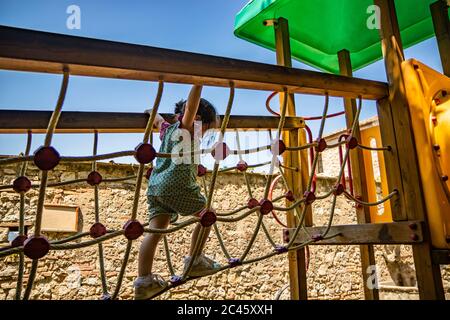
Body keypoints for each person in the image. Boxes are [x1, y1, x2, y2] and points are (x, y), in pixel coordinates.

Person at [134, 85, 221, 300]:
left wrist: (150, 112)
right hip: (178, 186)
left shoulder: (166, 129)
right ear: (198, 119)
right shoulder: (187, 127)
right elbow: (192, 108)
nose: (205, 134)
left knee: (154, 231)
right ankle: (195, 261)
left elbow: (155, 119)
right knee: (207, 216)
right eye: (207, 128)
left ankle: (143, 281)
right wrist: (198, 83)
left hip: (156, 187)